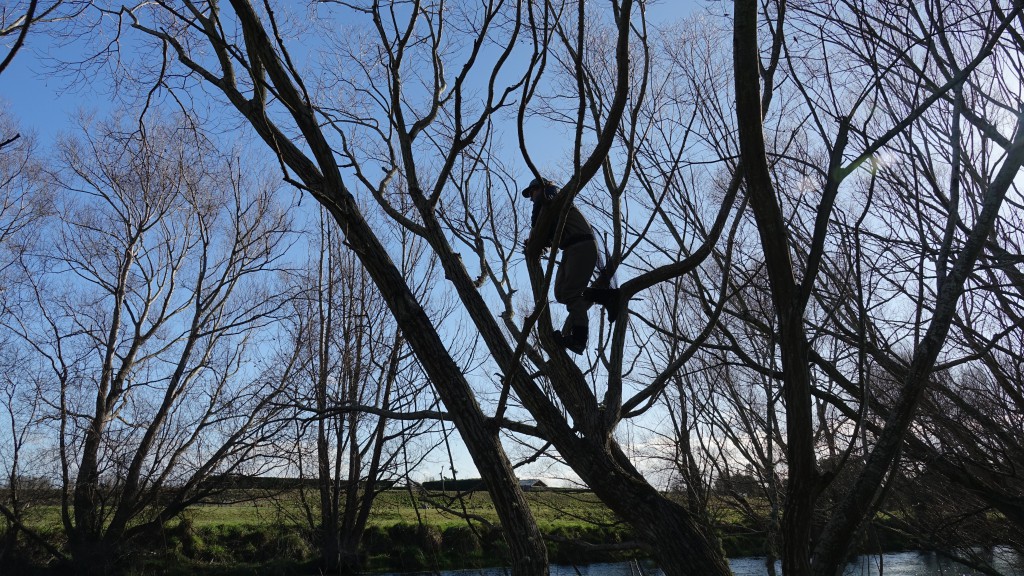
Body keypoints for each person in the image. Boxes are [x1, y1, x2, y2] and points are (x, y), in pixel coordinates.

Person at [523, 177, 618, 354]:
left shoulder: (552, 195)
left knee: (570, 293)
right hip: (571, 248)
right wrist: (536, 244)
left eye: (532, 192)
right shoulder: (550, 209)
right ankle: (605, 296)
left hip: (581, 245)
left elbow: (538, 221)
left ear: (540, 188)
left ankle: (579, 339)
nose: (531, 198)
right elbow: (547, 235)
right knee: (560, 293)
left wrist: (534, 235)